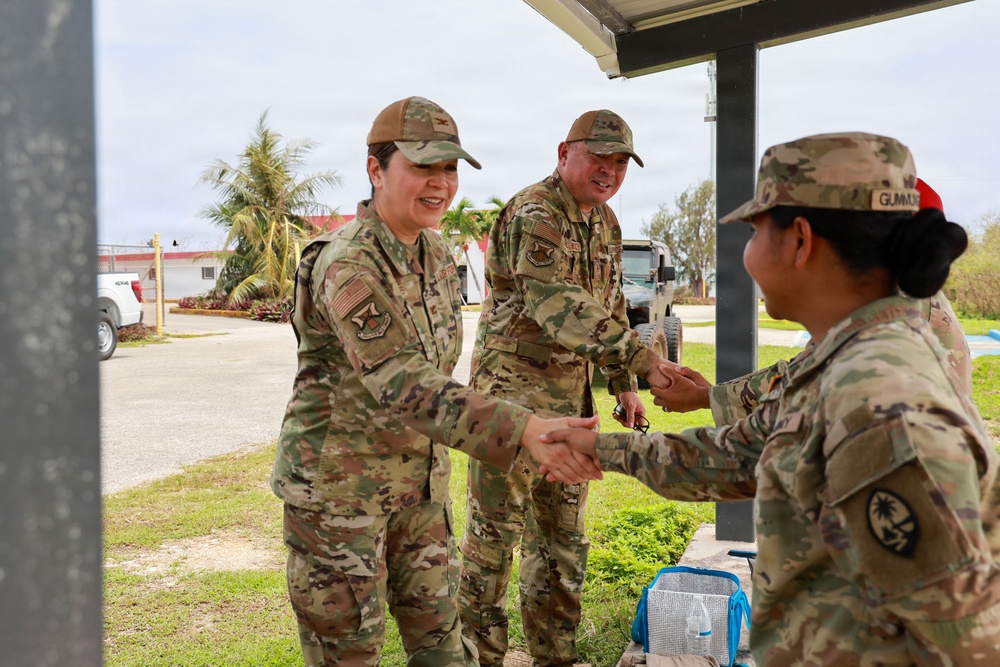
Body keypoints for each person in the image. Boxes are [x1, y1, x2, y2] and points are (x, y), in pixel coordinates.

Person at [541, 132, 1000, 665]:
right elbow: (734, 455)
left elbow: (966, 641)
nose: (748, 256)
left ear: (800, 240)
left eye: (756, 232)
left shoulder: (886, 406)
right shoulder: (845, 361)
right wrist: (603, 450)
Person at [270, 96, 602, 667]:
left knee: (445, 651)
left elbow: (442, 371)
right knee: (349, 656)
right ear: (376, 170)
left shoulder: (438, 256)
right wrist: (521, 427)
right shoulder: (347, 262)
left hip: (419, 494)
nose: (441, 184)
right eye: (423, 166)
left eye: (449, 168)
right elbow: (402, 380)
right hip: (339, 503)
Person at [458, 109, 670, 667]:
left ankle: (555, 657)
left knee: (562, 545)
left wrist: (623, 385)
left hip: (570, 409)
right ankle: (480, 658)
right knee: (493, 546)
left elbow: (609, 303)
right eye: (598, 157)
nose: (609, 171)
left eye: (620, 161)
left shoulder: (605, 223)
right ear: (564, 153)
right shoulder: (535, 212)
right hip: (510, 408)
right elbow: (559, 306)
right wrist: (641, 359)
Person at [652, 178, 973, 423]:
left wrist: (706, 397)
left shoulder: (894, 308)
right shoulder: (897, 295)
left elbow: (802, 382)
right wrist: (709, 396)